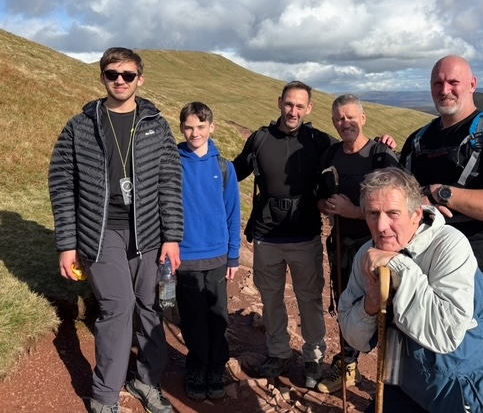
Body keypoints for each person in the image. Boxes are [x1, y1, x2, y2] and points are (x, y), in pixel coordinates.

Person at [49, 47, 183, 413]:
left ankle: (145, 381)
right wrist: (67, 243)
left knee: (151, 307)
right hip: (100, 232)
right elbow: (61, 182)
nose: (119, 81)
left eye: (127, 75)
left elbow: (170, 181)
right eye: (112, 74)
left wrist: (172, 237)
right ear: (102, 77)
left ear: (141, 78)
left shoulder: (157, 124)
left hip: (150, 234)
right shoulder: (81, 126)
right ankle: (105, 397)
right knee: (119, 307)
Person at [399, 55, 483, 391]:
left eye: (453, 82)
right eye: (437, 83)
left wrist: (441, 193)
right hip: (431, 270)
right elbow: (402, 202)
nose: (445, 90)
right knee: (436, 367)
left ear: (472, 84)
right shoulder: (418, 141)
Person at [339, 167, 483, 412]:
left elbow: (445, 334)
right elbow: (354, 337)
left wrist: (398, 265)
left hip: (473, 384)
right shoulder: (368, 254)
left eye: (393, 213)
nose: (381, 226)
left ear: (416, 214)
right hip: (410, 377)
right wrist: (370, 304)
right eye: (372, 213)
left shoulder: (449, 245)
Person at [232, 80, 333, 388]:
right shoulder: (260, 139)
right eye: (289, 104)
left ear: (309, 108)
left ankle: (314, 357)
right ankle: (278, 353)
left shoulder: (319, 141)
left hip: (305, 235)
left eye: (300, 106)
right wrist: (197, 161)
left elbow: (348, 160)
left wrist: (381, 146)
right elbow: (234, 171)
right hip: (266, 235)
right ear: (279, 102)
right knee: (272, 298)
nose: (293, 111)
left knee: (309, 298)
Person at [316, 94, 399, 394]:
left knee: (388, 312)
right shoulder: (330, 155)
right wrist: (326, 205)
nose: (345, 123)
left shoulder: (381, 155)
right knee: (347, 306)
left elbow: (397, 209)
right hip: (341, 246)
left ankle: (392, 379)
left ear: (363, 118)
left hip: (379, 250)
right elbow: (319, 196)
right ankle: (348, 366)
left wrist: (353, 211)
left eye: (351, 117)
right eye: (339, 118)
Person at [176, 102, 241, 401]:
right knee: (192, 317)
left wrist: (233, 255)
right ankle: (197, 366)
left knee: (217, 314)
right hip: (185, 256)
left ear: (211, 128)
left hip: (217, 255)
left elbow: (232, 213)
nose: (194, 133)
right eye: (189, 127)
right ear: (181, 128)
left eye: (200, 127)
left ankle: (217, 367)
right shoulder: (173, 163)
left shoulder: (224, 167)